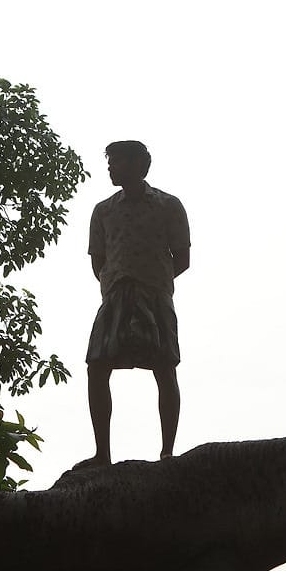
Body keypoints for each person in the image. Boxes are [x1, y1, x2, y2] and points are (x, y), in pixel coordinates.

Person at [82, 140, 190, 466]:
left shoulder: (168, 205)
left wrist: (153, 279)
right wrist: (115, 282)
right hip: (115, 294)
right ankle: (103, 453)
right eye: (110, 162)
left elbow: (182, 258)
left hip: (155, 293)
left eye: (117, 161)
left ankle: (167, 450)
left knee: (164, 367)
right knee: (97, 367)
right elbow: (97, 260)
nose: (111, 167)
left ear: (138, 164)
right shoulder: (103, 211)